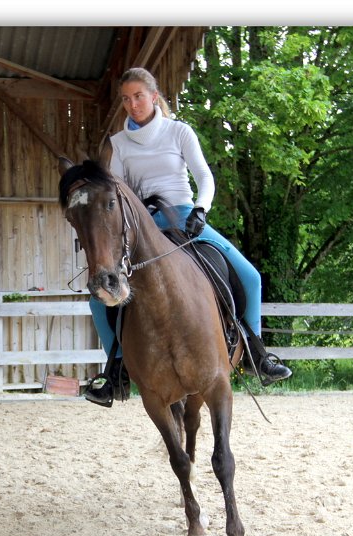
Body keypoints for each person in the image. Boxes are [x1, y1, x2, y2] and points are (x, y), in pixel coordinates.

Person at [85, 67, 291, 406]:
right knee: (99, 297)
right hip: (144, 226)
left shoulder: (179, 132)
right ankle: (116, 371)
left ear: (154, 96)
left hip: (185, 216)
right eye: (126, 99)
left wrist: (200, 209)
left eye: (138, 96)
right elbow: (119, 192)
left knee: (251, 277)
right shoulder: (118, 144)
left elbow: (204, 177)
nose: (132, 104)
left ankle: (257, 354)